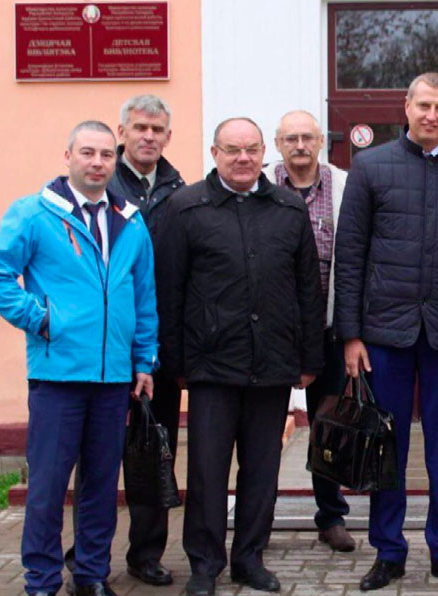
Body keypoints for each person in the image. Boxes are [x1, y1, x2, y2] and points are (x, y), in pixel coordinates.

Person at [0, 121, 157, 596]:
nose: (97, 163)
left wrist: (143, 361)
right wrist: (41, 319)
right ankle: (42, 578)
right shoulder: (34, 214)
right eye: (87, 153)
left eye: (105, 155)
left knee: (100, 488)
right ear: (68, 157)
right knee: (49, 487)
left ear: (114, 162)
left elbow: (143, 298)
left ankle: (92, 574)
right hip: (57, 375)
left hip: (114, 377)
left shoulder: (131, 223)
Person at [334, 72, 438, 592]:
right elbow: (351, 255)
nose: (431, 115)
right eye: (423, 105)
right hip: (385, 334)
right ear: (405, 106)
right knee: (387, 447)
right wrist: (352, 336)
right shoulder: (371, 167)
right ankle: (389, 551)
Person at [155, 117, 324, 596]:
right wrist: (176, 363)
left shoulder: (289, 209)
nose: (243, 158)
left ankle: (250, 558)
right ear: (214, 153)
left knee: (262, 470)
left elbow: (308, 289)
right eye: (232, 150)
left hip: (272, 365)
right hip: (210, 367)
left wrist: (309, 357)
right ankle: (205, 566)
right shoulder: (185, 208)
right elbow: (170, 290)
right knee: (207, 472)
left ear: (262, 152)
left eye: (251, 149)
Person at [62, 94, 185, 592]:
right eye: (139, 128)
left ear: (168, 137)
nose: (148, 136)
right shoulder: (99, 182)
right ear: (121, 132)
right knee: (96, 462)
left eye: (157, 129)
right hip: (99, 352)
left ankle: (145, 554)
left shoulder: (181, 190)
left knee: (153, 454)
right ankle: (84, 560)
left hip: (159, 348)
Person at [263, 110, 355, 552]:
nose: (300, 145)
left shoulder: (344, 186)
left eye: (307, 137)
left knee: (329, 425)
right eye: (291, 138)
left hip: (329, 328)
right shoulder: (258, 185)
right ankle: (256, 519)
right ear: (278, 144)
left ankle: (331, 515)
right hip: (270, 332)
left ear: (321, 141)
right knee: (262, 429)